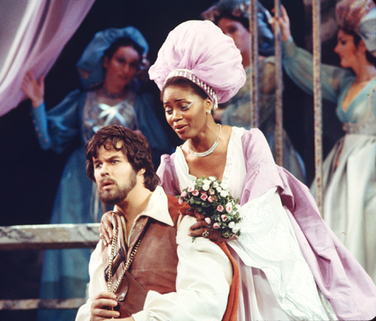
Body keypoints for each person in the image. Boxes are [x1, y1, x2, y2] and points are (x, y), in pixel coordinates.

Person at [101, 20, 376, 320]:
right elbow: (155, 214)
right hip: (212, 275)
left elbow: (266, 207)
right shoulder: (171, 165)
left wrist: (222, 225)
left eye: (183, 105)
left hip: (262, 270)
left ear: (208, 102)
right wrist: (116, 220)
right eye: (168, 109)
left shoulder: (247, 143)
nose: (174, 116)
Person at [21, 26, 172, 320]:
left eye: (132, 64)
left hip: (123, 189)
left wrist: (139, 145)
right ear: (106, 61)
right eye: (120, 61)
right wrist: (38, 103)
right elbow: (50, 140)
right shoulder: (82, 99)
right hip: (79, 188)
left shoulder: (138, 103)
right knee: (74, 256)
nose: (126, 70)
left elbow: (161, 147)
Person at [76, 125, 237, 321]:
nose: (103, 171)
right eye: (98, 164)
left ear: (141, 167)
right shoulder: (108, 236)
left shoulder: (184, 220)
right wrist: (89, 315)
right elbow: (94, 300)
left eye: (114, 161)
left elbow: (206, 301)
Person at [273, 0, 376, 283]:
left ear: (362, 45)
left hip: (368, 170)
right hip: (343, 166)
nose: (337, 48)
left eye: (343, 42)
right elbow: (312, 73)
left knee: (365, 224)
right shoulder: (345, 82)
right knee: (334, 219)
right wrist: (288, 41)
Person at [200, 0, 306, 183]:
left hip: (268, 150)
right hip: (232, 151)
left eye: (232, 30)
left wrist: (208, 112)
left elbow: (249, 116)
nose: (226, 38)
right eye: (222, 33)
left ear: (252, 31)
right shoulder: (220, 73)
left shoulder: (268, 68)